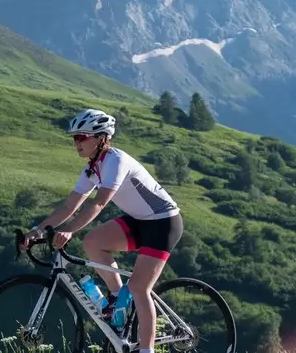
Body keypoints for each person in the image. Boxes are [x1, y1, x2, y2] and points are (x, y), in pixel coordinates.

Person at [21, 108, 183, 353]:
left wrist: (70, 231)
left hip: (164, 223)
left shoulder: (116, 160)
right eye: (74, 138)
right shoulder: (92, 169)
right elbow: (69, 205)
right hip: (139, 220)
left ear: (100, 138)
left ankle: (146, 350)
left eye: (81, 137)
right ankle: (118, 300)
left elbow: (98, 203)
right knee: (93, 242)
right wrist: (37, 231)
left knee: (140, 287)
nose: (76, 143)